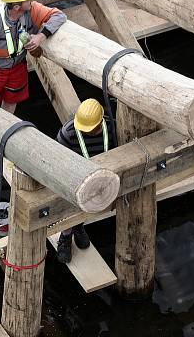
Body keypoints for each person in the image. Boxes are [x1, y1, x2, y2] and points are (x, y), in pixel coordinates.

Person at [54, 98, 115, 264]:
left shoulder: (111, 127)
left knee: (89, 206)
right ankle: (66, 237)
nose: (87, 131)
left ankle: (79, 227)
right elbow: (59, 161)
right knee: (70, 206)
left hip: (101, 177)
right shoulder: (68, 133)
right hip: (74, 178)